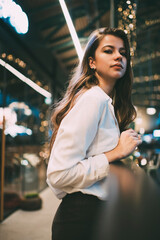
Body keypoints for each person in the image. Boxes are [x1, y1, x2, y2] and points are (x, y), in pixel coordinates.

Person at [46, 27, 142, 240]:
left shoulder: (105, 102)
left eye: (123, 52)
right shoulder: (92, 99)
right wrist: (116, 152)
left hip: (94, 214)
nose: (118, 56)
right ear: (91, 62)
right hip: (80, 219)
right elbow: (58, 174)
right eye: (109, 51)